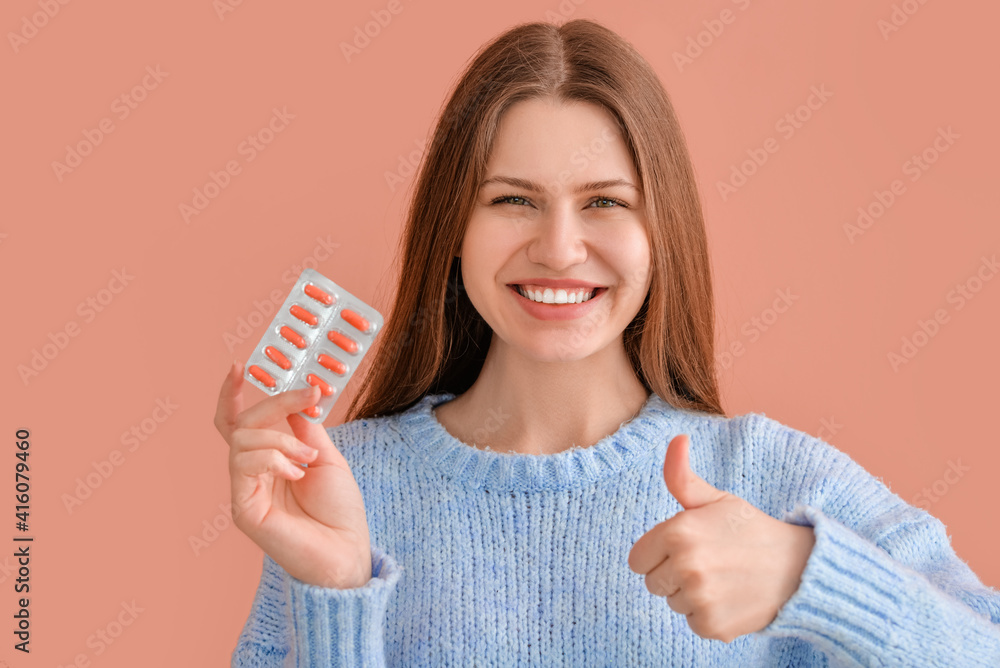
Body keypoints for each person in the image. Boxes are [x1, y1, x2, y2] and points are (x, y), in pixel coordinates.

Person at [216, 18, 1000, 667]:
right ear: (455, 228)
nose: (558, 249)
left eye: (604, 203)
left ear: (663, 233)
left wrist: (811, 578)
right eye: (514, 200)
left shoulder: (770, 483)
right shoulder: (340, 487)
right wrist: (337, 593)